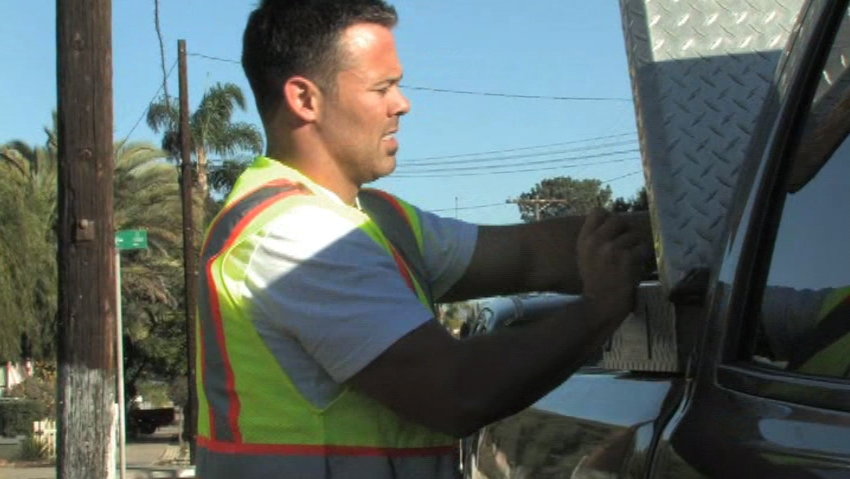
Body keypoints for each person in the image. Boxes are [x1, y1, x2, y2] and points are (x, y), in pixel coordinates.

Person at [195, 1, 651, 478]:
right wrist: (598, 312)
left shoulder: (376, 219)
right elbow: (455, 391)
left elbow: (531, 255)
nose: (403, 103)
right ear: (305, 99)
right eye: (382, 87)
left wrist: (678, 232)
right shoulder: (294, 235)